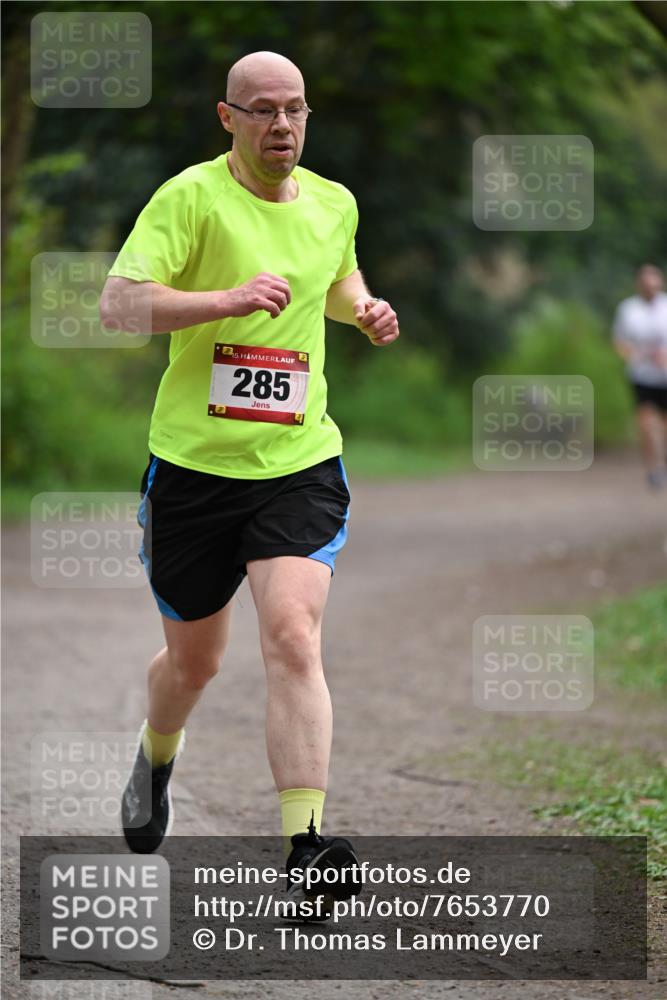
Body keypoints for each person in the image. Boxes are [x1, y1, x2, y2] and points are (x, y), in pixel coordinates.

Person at [100, 50, 399, 916]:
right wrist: (224, 300)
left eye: (295, 110)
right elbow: (120, 305)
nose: (282, 127)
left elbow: (335, 280)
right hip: (192, 470)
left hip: (296, 462)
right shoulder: (190, 198)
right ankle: (157, 754)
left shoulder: (335, 202)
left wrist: (364, 308)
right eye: (263, 111)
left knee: (294, 637)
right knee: (195, 664)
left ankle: (306, 844)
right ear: (226, 117)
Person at [612, 264, 667, 490]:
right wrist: (633, 356)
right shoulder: (628, 309)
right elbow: (619, 341)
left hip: (665, 376)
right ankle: (653, 469)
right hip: (641, 375)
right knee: (645, 424)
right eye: (646, 285)